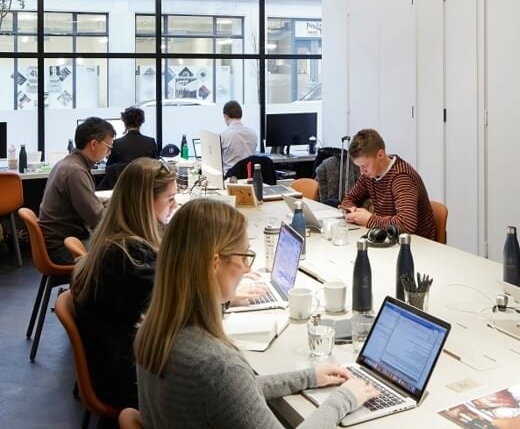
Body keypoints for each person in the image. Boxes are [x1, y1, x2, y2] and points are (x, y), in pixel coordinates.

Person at [135, 199, 378, 428]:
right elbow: (227, 384)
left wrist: (308, 377)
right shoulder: (217, 366)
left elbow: (235, 394)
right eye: (244, 256)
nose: (247, 268)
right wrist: (345, 399)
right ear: (215, 263)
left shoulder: (154, 331)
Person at [71, 158, 177, 411]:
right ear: (145, 203)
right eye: (170, 198)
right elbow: (173, 307)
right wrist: (223, 295)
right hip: (128, 380)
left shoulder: (117, 240)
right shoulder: (128, 256)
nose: (175, 205)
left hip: (117, 362)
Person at [39, 117, 116, 264]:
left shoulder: (69, 163)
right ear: (94, 144)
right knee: (125, 255)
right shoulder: (75, 171)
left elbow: (88, 203)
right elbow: (97, 218)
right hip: (63, 248)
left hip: (60, 240)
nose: (109, 152)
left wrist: (113, 202)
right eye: (109, 147)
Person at [341, 128, 436, 239]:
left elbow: (407, 224)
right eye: (359, 167)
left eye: (365, 166)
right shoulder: (369, 174)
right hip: (390, 238)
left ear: (380, 155)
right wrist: (350, 209)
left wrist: (369, 220)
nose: (362, 172)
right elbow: (349, 199)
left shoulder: (401, 178)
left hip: (417, 244)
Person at [221, 100, 257, 173]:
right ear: (241, 115)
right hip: (248, 178)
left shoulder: (224, 136)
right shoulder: (253, 134)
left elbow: (217, 161)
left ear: (225, 116)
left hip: (230, 179)